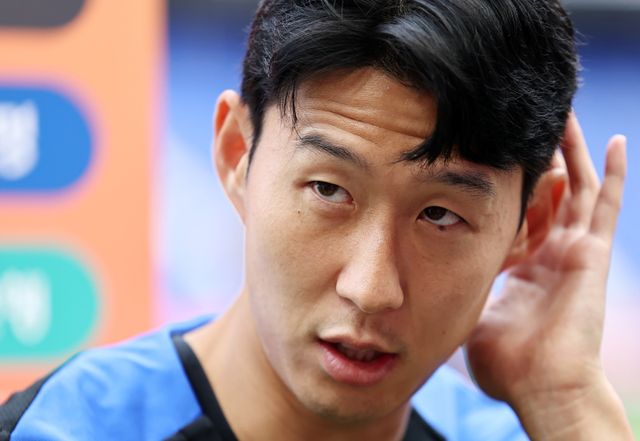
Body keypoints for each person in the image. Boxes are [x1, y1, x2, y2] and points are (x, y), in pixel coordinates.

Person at [0, 0, 634, 439]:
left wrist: (568, 404)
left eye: (440, 214)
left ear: (531, 223)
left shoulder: (509, 434)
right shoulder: (69, 429)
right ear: (237, 154)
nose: (371, 287)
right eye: (329, 190)